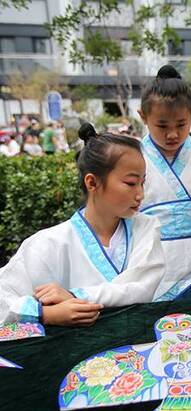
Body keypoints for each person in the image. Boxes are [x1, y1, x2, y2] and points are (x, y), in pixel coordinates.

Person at [0, 123, 166, 327]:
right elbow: (4, 299)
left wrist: (73, 295)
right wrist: (44, 313)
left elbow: (141, 287)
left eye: (143, 183)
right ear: (92, 183)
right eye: (131, 183)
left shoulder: (146, 229)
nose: (140, 194)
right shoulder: (47, 244)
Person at [137, 65, 191, 300]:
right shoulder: (133, 160)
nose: (172, 134)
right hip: (153, 262)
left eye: (181, 125)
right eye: (162, 126)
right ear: (143, 117)